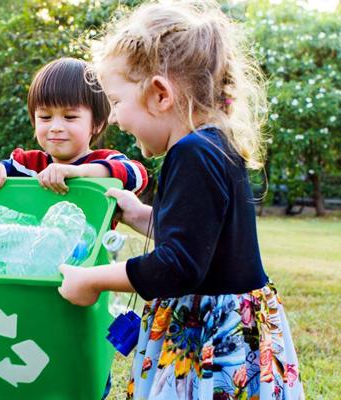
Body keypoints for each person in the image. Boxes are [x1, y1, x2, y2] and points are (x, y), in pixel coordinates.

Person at [58, 1, 305, 399]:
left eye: (118, 103)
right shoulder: (215, 143)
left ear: (160, 95)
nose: (116, 118)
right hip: (233, 328)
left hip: (209, 340)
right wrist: (141, 215)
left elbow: (179, 266)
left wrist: (93, 280)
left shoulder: (190, 152)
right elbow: (201, 240)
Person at [0, 57, 148, 196]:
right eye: (45, 117)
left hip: (91, 250)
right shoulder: (27, 166)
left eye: (70, 116)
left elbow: (137, 175)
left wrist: (78, 172)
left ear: (97, 124)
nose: (56, 127)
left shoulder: (104, 160)